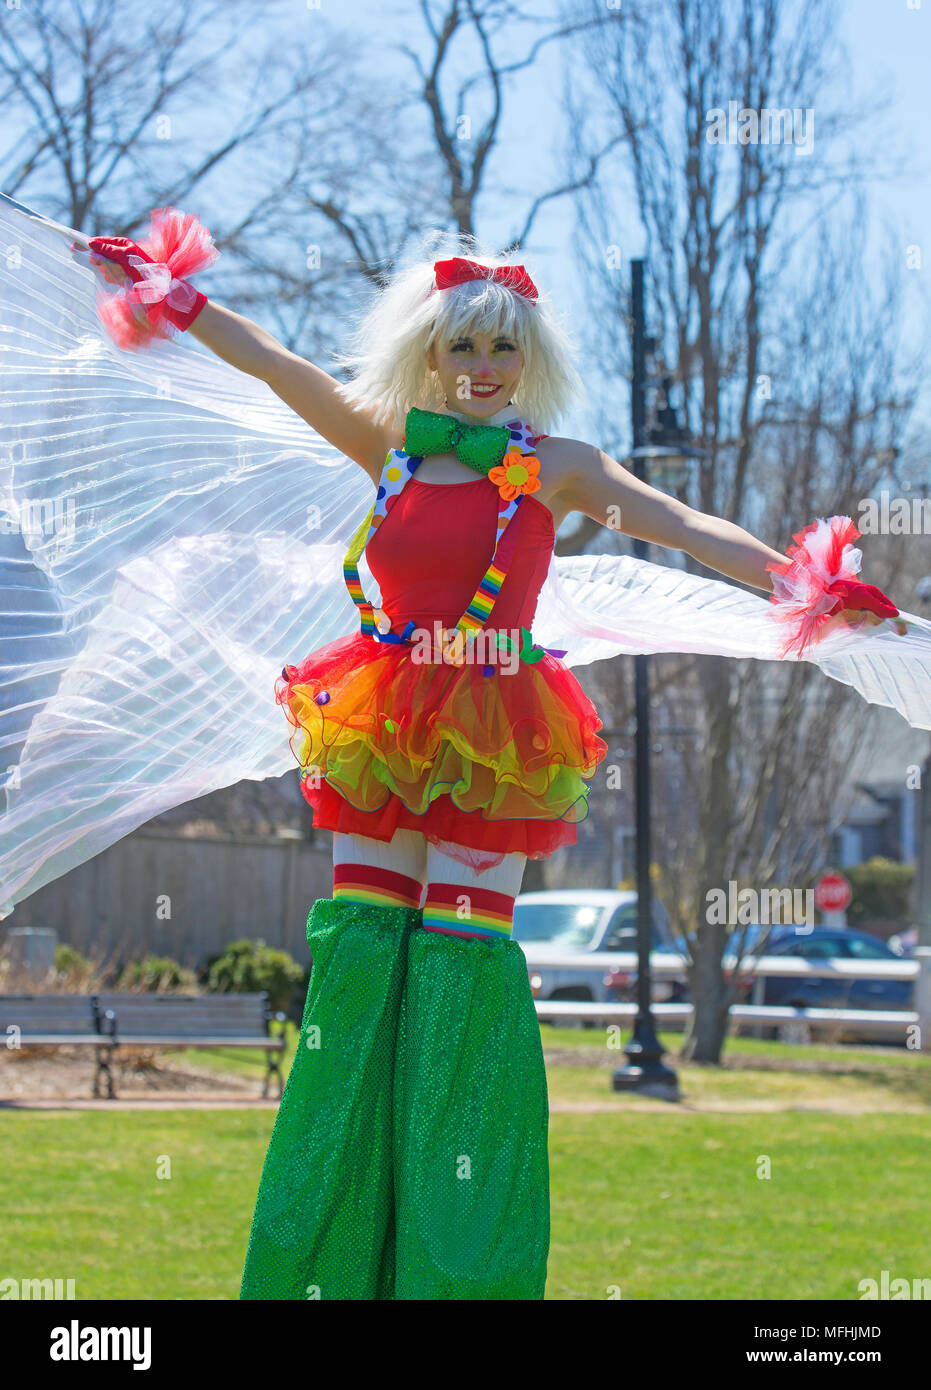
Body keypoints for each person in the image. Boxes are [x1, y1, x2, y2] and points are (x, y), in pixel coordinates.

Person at [76, 208, 903, 1301]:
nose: (480, 364)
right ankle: (324, 1266)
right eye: (459, 344)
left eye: (500, 344)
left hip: (500, 732)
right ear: (428, 354)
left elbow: (683, 523)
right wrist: (174, 296)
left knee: (460, 978)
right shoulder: (391, 443)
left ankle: (450, 1272)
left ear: (530, 356)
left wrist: (801, 586)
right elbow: (276, 365)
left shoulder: (555, 466)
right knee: (365, 966)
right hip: (378, 719)